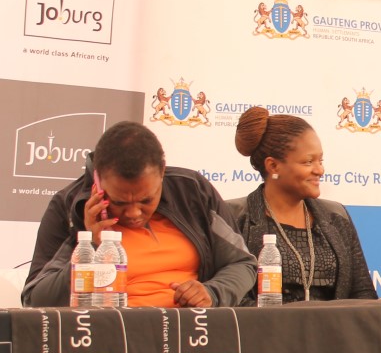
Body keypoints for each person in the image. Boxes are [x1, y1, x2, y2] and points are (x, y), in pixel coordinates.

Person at [22, 121, 256, 308]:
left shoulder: (192, 191)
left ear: (162, 173)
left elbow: (242, 263)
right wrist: (90, 248)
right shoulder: (68, 206)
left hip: (192, 334)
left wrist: (212, 293)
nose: (134, 213)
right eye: (119, 202)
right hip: (110, 338)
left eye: (146, 200)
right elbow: (35, 299)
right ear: (98, 180)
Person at [232, 106, 377, 302]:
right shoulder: (235, 219)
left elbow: (363, 293)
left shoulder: (336, 216)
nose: (320, 170)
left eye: (320, 161)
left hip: (335, 322)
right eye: (308, 162)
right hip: (267, 322)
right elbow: (231, 300)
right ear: (273, 166)